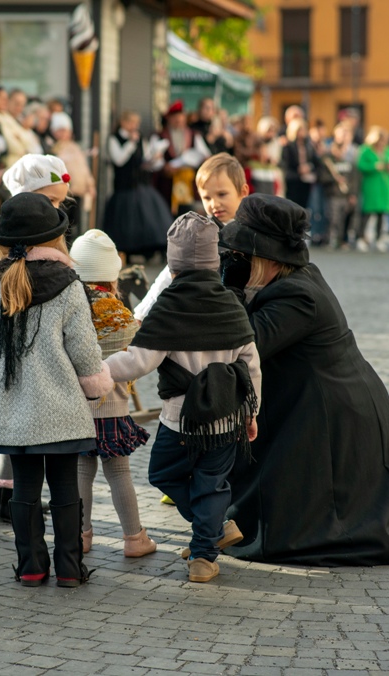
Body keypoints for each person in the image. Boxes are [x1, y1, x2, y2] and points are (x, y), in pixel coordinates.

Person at [218, 193, 389, 566]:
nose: (235, 258)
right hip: (318, 410)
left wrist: (230, 289)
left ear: (264, 257)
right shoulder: (293, 280)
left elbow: (242, 343)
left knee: (293, 530)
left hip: (339, 427)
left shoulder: (297, 295)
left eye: (242, 253)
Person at [105, 213, 261, 583]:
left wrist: (98, 369)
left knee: (162, 472)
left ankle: (204, 553)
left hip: (180, 420)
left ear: (173, 265)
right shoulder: (230, 303)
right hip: (228, 417)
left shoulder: (169, 304)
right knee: (211, 482)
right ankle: (212, 531)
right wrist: (252, 411)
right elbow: (251, 363)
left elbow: (139, 361)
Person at [0, 192, 114, 587]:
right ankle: (69, 566)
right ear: (54, 239)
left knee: (25, 488)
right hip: (60, 407)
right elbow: (84, 350)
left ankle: (31, 565)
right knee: (66, 487)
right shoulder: (68, 285)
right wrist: (94, 385)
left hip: (12, 408)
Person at [0, 154, 74, 522]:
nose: (58, 208)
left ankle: (5, 492)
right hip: (8, 340)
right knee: (14, 418)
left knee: (17, 416)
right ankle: (6, 494)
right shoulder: (1, 240)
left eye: (62, 201)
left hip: (28, 340)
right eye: (52, 200)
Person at [69, 230, 156, 558]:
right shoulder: (119, 314)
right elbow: (135, 353)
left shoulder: (71, 307)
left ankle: (81, 535)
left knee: (81, 469)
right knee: (119, 472)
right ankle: (134, 538)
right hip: (114, 407)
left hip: (77, 406)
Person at [134, 153, 248, 320]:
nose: (214, 204)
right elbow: (170, 274)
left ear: (242, 192)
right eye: (207, 197)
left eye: (222, 194)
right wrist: (143, 313)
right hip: (202, 310)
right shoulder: (200, 231)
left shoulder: (252, 232)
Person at [102, 110, 172, 259]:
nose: (135, 126)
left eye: (136, 123)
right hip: (124, 187)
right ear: (123, 122)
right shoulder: (114, 139)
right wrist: (131, 143)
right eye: (132, 122)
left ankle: (149, 251)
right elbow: (119, 159)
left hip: (141, 185)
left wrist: (154, 159)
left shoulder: (140, 138)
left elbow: (144, 162)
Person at [50, 111, 96, 237]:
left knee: (74, 222)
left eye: (66, 130)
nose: (64, 133)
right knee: (63, 222)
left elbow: (84, 168)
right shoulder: (55, 148)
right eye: (61, 130)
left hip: (79, 190)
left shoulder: (75, 147)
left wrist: (90, 185)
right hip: (65, 192)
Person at [357, 126, 389, 252]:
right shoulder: (365, 150)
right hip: (371, 185)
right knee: (368, 213)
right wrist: (374, 166)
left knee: (382, 213)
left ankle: (379, 238)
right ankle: (362, 238)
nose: (381, 143)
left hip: (385, 186)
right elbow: (360, 165)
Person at [321, 124, 360, 249]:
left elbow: (354, 179)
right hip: (333, 195)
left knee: (345, 219)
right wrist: (334, 179)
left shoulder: (349, 163)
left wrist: (353, 194)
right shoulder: (328, 161)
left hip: (346, 195)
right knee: (333, 219)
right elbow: (323, 177)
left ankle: (342, 240)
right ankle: (330, 239)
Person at [281, 119, 320, 209]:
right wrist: (298, 171)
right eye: (299, 130)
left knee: (304, 206)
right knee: (292, 205)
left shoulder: (309, 146)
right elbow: (285, 164)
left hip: (306, 181)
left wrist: (309, 167)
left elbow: (316, 162)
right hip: (293, 181)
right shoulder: (288, 146)